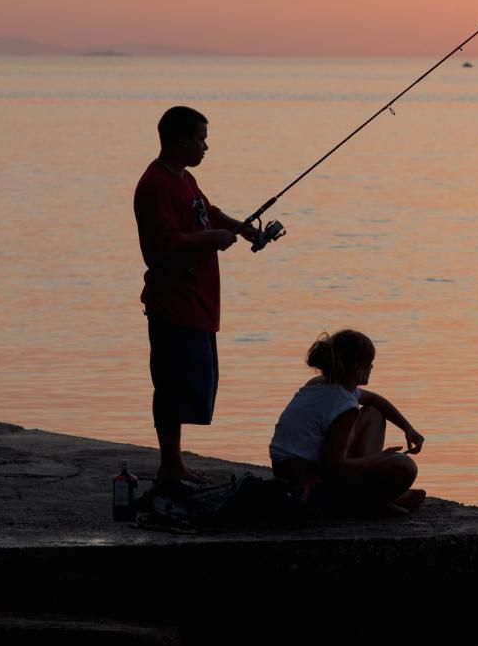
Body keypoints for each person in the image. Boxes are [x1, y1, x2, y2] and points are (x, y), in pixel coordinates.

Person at [134, 105, 261, 486]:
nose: (206, 147)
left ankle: (175, 465)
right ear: (182, 140)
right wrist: (213, 240)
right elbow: (165, 246)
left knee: (190, 387)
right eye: (202, 139)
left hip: (198, 302)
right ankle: (170, 466)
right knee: (171, 387)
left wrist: (242, 229)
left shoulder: (184, 179)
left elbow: (209, 212)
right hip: (174, 302)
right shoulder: (156, 185)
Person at [268, 330, 428, 515]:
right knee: (404, 467)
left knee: (374, 414)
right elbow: (334, 467)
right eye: (369, 363)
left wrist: (407, 428)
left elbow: (375, 401)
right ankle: (372, 503)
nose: (372, 367)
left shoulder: (320, 382)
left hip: (287, 471)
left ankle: (376, 496)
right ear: (356, 368)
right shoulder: (345, 407)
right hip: (307, 487)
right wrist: (379, 458)